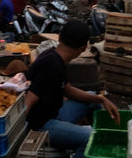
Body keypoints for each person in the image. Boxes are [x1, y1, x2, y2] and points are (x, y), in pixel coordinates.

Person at [25, 20, 119, 157]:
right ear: (84, 47)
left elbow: (67, 89)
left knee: (92, 98)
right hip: (42, 125)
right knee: (89, 138)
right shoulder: (51, 65)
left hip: (55, 114)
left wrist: (101, 99)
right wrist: (17, 138)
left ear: (60, 38)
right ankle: (87, 147)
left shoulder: (55, 56)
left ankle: (102, 140)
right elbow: (30, 98)